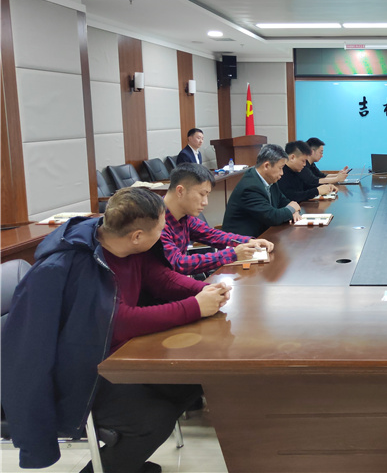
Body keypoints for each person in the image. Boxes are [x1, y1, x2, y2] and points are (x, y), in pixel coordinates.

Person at [1, 188, 231, 472]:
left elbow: (159, 278)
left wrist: (204, 290)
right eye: (160, 230)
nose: (163, 235)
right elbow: (117, 322)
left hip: (111, 356)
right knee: (152, 420)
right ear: (137, 236)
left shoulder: (125, 246)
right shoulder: (71, 265)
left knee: (190, 382)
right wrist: (194, 307)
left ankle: (125, 462)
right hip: (77, 375)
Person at [161, 163, 273, 278]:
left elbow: (211, 234)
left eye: (207, 195)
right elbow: (179, 263)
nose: (205, 202)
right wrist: (233, 254)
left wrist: (247, 241)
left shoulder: (184, 217)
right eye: (202, 194)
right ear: (180, 191)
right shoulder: (156, 221)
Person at [222, 144, 301, 237]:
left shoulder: (270, 180)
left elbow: (284, 202)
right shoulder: (250, 187)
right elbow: (272, 217)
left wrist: (294, 211)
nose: (282, 173)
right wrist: (292, 209)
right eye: (280, 168)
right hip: (242, 241)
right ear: (266, 166)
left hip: (262, 236)